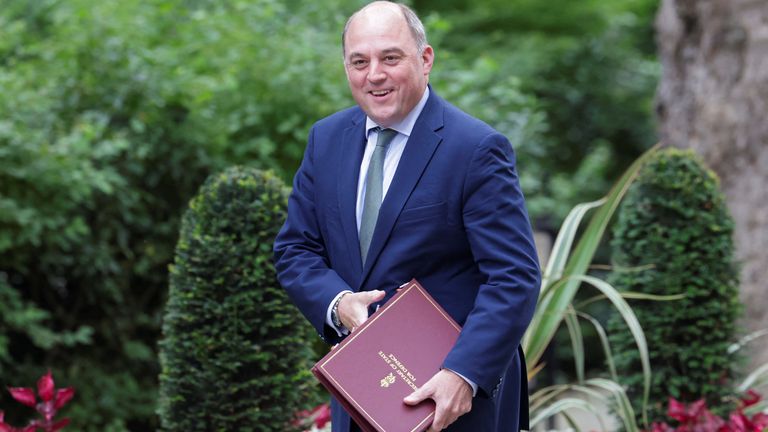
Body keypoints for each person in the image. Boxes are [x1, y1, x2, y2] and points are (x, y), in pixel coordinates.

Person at [273, 2, 540, 431]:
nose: (374, 74)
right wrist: (338, 303)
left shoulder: (475, 149)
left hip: (454, 405)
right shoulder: (326, 140)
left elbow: (514, 277)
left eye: (390, 57)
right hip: (361, 396)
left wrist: (463, 374)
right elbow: (295, 249)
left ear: (426, 59)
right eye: (359, 61)